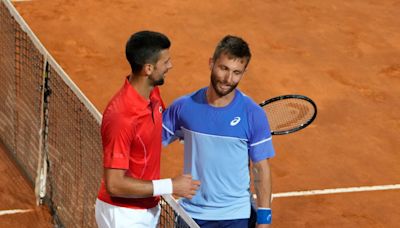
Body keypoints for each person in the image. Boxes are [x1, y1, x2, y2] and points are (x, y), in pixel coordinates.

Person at [162, 35, 275, 227]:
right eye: (223, 68)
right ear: (211, 63)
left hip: (235, 215)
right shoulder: (184, 107)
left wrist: (264, 220)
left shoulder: (252, 113)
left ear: (243, 73)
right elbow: (149, 142)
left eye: (236, 72)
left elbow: (260, 168)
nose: (228, 79)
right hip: (191, 214)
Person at [95, 30, 200, 228]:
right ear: (149, 69)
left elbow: (154, 131)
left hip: (146, 207)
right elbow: (114, 184)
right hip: (124, 215)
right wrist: (171, 186)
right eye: (166, 62)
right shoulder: (122, 117)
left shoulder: (152, 94)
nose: (171, 65)